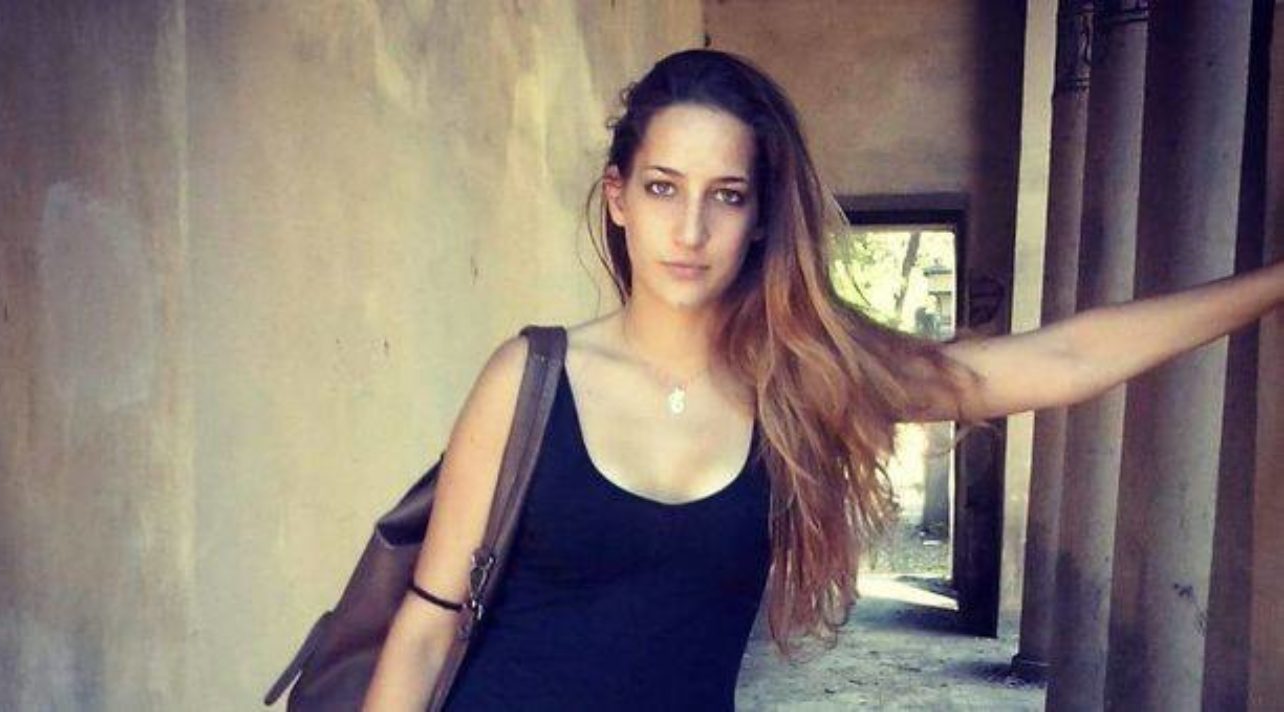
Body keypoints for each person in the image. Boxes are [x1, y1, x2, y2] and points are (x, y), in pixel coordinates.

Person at [361, 49, 1284, 711]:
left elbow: (1061, 360)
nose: (690, 231)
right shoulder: (531, 378)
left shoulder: (796, 382)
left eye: (726, 195)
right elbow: (427, 628)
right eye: (662, 187)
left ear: (761, 216)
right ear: (618, 197)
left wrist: (1273, 284)